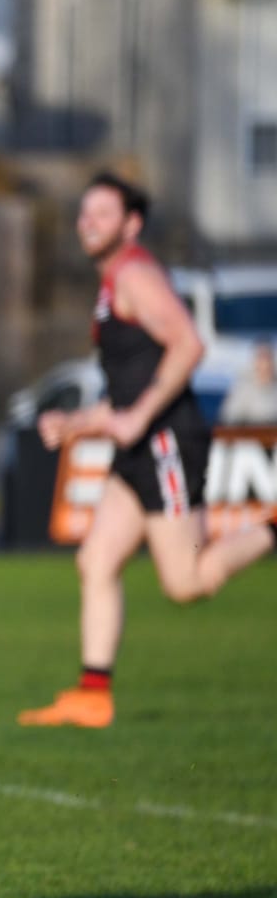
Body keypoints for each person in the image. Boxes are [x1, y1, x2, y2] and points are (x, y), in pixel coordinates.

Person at [19, 174, 276, 729]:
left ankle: (272, 529)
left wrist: (136, 418)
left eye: (102, 213)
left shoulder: (135, 272)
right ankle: (93, 694)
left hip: (165, 443)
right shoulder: (113, 282)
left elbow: (189, 342)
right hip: (137, 448)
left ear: (131, 224)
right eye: (85, 212)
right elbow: (127, 389)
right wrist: (78, 421)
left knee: (185, 583)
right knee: (96, 560)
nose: (88, 221)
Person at [219, 341, 277, 425]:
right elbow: (229, 418)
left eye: (268, 358)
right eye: (261, 357)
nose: (265, 363)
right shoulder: (242, 389)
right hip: (249, 435)